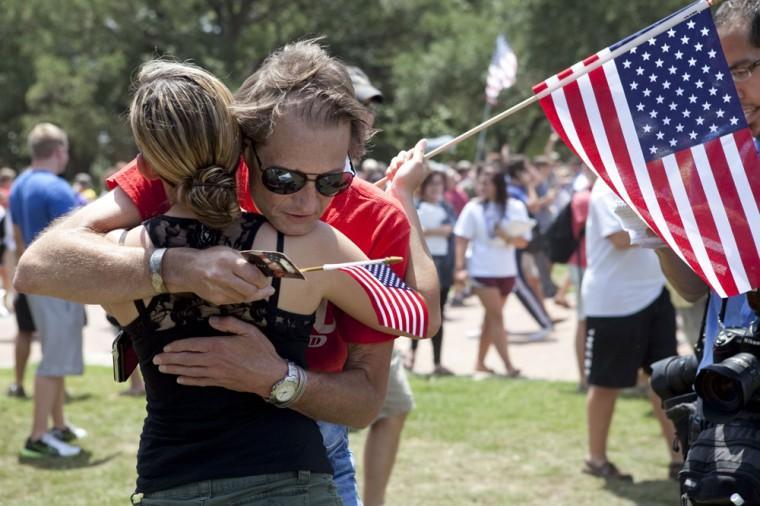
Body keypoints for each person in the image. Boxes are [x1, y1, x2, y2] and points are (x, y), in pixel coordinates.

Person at [14, 42, 439, 506]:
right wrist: (180, 268)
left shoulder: (373, 217)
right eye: (284, 179)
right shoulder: (307, 240)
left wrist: (277, 377)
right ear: (242, 144)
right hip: (278, 474)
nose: (308, 202)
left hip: (217, 468)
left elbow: (367, 397)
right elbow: (38, 265)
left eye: (333, 180)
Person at [652, 0, 759, 370]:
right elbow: (694, 288)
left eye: (742, 70)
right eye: (718, 75)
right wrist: (660, 231)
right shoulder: (721, 161)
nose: (728, 90)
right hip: (725, 389)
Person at [580, 177, 682, 481]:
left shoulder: (644, 185)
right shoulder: (604, 189)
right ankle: (595, 459)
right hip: (614, 302)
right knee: (605, 384)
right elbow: (620, 238)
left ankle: (678, 459)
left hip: (654, 293)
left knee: (666, 381)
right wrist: (666, 221)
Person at [10, 123, 87, 458]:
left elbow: (16, 236)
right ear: (58, 151)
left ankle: (58, 425)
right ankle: (39, 436)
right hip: (57, 284)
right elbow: (82, 241)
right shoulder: (57, 189)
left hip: (33, 280)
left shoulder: (19, 185)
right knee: (54, 362)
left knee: (53, 357)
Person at [454, 165, 531, 377]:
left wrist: (506, 236)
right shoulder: (473, 207)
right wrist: (459, 268)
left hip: (506, 270)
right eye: (480, 182)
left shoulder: (515, 206)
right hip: (481, 269)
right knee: (497, 317)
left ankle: (479, 362)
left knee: (491, 318)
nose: (481, 187)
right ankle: (509, 366)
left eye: (486, 183)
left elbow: (523, 242)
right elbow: (462, 238)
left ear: (498, 185)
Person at [406, 169, 455, 375]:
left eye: (439, 184)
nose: (436, 188)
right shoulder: (414, 206)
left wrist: (431, 230)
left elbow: (451, 230)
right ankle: (412, 355)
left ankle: (437, 362)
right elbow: (414, 230)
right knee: (418, 313)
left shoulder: (446, 207)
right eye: (432, 184)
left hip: (443, 268)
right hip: (420, 267)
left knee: (439, 314)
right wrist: (436, 231)